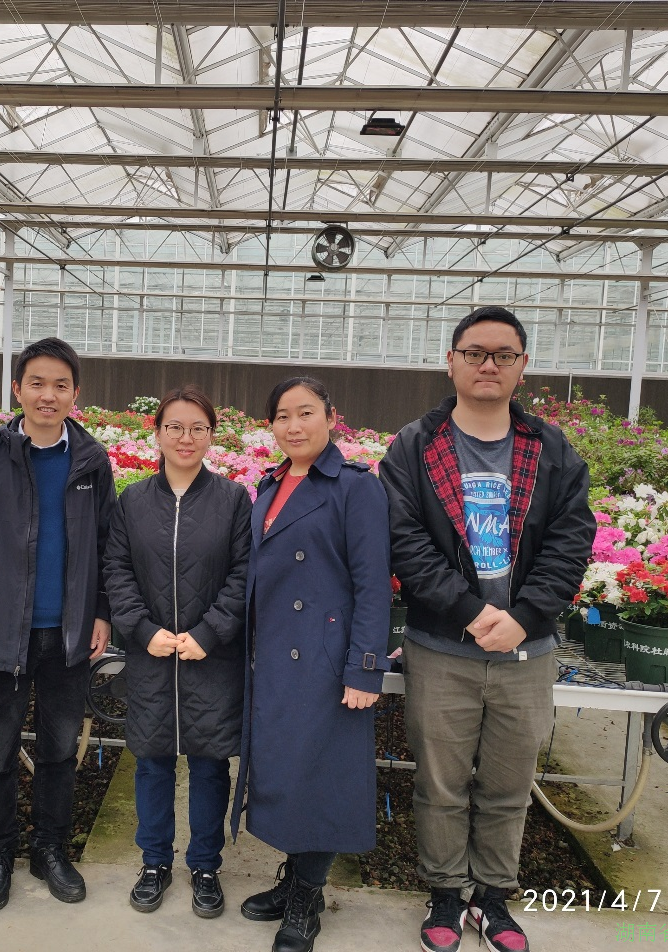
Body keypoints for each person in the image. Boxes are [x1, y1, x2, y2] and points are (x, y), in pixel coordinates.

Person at [379, 306, 595, 952]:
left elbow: (571, 540)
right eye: (475, 353)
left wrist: (524, 618)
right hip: (441, 647)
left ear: (523, 366)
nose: (488, 365)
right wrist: (470, 613)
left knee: (508, 783)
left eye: (504, 355)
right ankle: (446, 892)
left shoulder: (551, 450)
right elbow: (404, 540)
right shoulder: (415, 446)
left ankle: (493, 898)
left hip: (526, 654)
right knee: (440, 782)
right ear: (451, 362)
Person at [0, 337, 116, 912]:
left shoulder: (91, 461)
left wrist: (101, 613)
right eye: (37, 383)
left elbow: (107, 546)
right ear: (17, 389)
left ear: (75, 394)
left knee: (60, 749)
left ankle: (49, 848)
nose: (48, 395)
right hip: (1, 634)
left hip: (69, 636)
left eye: (60, 385)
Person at [230, 376, 392, 952]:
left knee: (321, 775)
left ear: (331, 417)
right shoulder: (270, 484)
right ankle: (295, 878)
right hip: (274, 654)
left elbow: (373, 584)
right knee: (288, 772)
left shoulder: (355, 487)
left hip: (325, 657)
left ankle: (306, 896)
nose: (293, 426)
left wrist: (364, 668)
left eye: (305, 413)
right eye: (282, 416)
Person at [103, 386, 251, 919]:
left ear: (212, 436)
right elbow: (116, 569)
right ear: (158, 433)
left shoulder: (233, 500)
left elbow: (244, 575)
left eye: (197, 428)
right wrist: (141, 630)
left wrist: (209, 634)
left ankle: (205, 865)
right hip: (152, 657)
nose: (186, 438)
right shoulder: (134, 501)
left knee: (210, 764)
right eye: (175, 427)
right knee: (152, 762)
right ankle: (154, 862)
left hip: (211, 657)